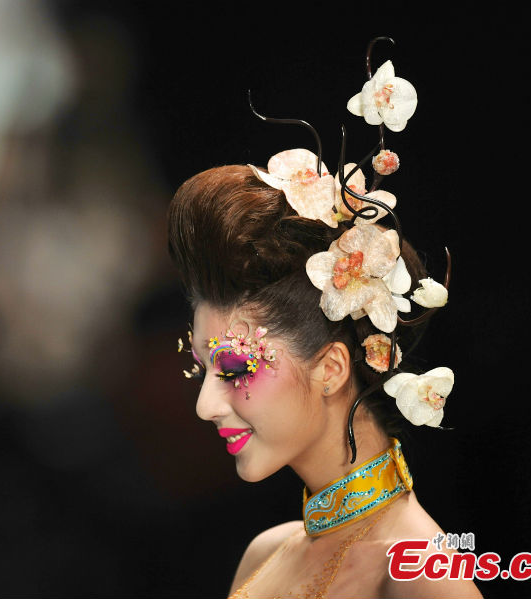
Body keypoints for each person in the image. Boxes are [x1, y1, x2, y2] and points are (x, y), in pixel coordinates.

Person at [168, 40, 482, 599]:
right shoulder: (263, 555)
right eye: (202, 370)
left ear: (333, 368)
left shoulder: (422, 571)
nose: (205, 405)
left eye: (235, 368)